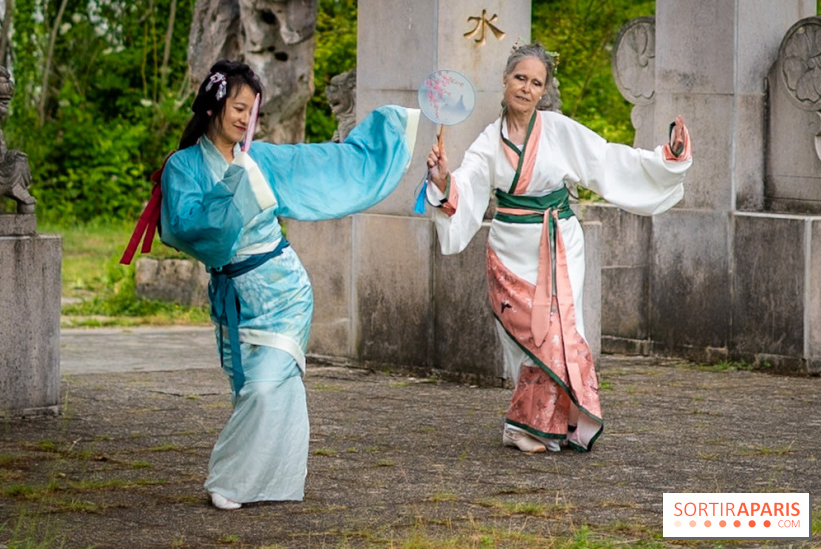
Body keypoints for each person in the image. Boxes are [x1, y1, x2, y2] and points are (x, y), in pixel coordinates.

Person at [160, 60, 419, 509]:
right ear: (212, 106)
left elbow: (326, 165)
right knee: (251, 392)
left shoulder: (259, 159)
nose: (244, 118)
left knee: (263, 385)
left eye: (250, 110)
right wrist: (233, 190)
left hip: (284, 290)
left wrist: (392, 133)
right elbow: (185, 229)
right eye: (236, 107)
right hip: (232, 297)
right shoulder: (182, 166)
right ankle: (270, 480)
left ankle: (230, 480)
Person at [424, 43, 691, 454]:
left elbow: (605, 161)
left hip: (559, 243)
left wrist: (664, 160)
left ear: (543, 90)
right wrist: (443, 180)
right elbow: (468, 184)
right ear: (505, 79)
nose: (527, 89)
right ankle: (529, 424)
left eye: (536, 83)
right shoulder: (487, 141)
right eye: (520, 78)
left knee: (561, 333)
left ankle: (544, 424)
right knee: (527, 338)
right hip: (509, 247)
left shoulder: (557, 129)